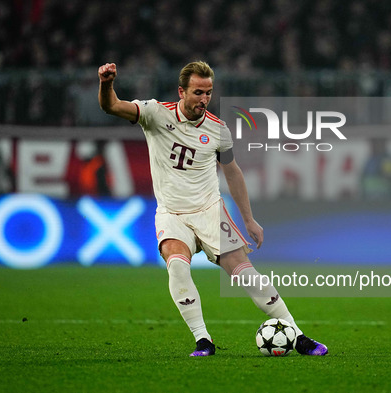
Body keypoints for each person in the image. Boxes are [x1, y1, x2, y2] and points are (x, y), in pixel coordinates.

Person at [98, 61, 327, 357]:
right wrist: (106, 84)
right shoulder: (155, 113)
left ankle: (297, 335)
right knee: (178, 266)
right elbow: (112, 106)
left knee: (246, 275)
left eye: (208, 93)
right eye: (197, 93)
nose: (203, 99)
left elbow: (232, 172)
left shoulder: (218, 130)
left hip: (209, 211)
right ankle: (203, 340)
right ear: (182, 91)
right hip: (172, 213)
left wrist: (249, 219)